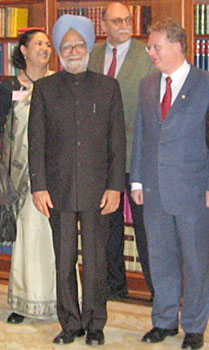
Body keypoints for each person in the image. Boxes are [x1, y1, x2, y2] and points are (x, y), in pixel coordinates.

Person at [28, 15, 126, 346]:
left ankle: (95, 323)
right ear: (59, 50)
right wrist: (38, 185)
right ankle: (70, 323)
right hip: (58, 190)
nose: (73, 51)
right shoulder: (44, 89)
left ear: (88, 47)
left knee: (97, 262)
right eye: (67, 46)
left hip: (100, 191)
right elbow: (36, 142)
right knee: (64, 259)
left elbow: (117, 143)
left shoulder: (108, 87)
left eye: (79, 44)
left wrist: (115, 187)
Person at [131, 18, 209, 350]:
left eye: (155, 46)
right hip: (153, 188)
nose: (150, 52)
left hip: (193, 190)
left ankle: (194, 326)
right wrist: (136, 178)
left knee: (195, 262)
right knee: (160, 259)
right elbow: (141, 135)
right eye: (150, 46)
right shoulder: (148, 85)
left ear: (177, 46)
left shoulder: (205, 83)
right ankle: (163, 321)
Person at [88, 2, 155, 300]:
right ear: (104, 24)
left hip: (138, 155)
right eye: (116, 20)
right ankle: (115, 285)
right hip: (101, 159)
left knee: (146, 227)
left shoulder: (147, 56)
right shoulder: (93, 56)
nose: (124, 25)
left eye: (127, 19)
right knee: (108, 227)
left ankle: (158, 289)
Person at [0, 29, 58, 324]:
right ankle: (25, 302)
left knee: (57, 240)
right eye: (38, 44)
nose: (45, 48)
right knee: (28, 240)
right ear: (23, 50)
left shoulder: (61, 83)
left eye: (48, 44)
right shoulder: (9, 87)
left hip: (55, 175)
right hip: (20, 176)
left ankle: (61, 299)